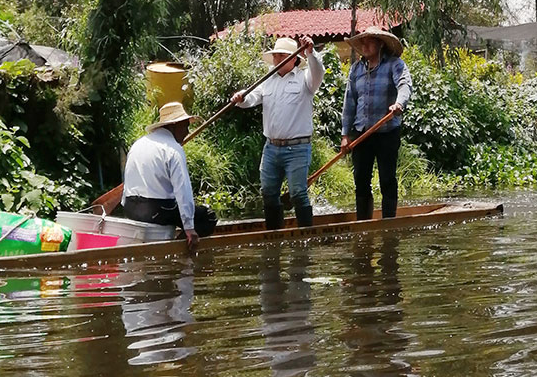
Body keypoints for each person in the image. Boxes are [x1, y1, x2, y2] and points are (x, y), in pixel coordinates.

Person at [232, 35, 323, 229]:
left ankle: (306, 236)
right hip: (271, 147)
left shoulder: (305, 79)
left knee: (298, 193)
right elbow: (252, 98)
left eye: (282, 56)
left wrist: (310, 52)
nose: (277, 60)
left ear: (293, 59)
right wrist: (240, 98)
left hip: (297, 149)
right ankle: (275, 235)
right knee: (268, 192)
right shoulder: (268, 81)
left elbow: (318, 73)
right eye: (275, 56)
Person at [121, 101, 216, 248]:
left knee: (175, 208)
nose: (187, 132)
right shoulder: (174, 150)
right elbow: (183, 191)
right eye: (185, 126)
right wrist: (189, 228)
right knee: (208, 216)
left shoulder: (138, 144)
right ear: (174, 126)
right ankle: (179, 246)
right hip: (155, 210)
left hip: (130, 207)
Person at [341, 27, 412, 220]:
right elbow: (349, 102)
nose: (364, 46)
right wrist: (345, 135)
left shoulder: (394, 65)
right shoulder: (356, 69)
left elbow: (404, 85)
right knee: (360, 180)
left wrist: (399, 103)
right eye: (362, 42)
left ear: (380, 43)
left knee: (387, 179)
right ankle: (363, 221)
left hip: (387, 132)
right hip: (362, 132)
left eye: (369, 42)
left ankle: (388, 221)